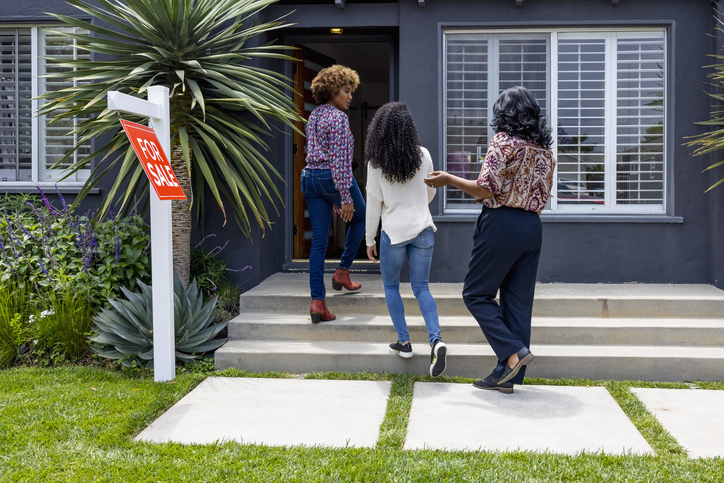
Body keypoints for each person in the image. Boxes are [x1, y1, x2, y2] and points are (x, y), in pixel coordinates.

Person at [424, 86, 556, 393]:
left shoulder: (503, 141)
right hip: (532, 227)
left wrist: (448, 180)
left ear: (504, 114)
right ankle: (507, 377)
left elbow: (486, 189)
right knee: (518, 305)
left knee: (476, 294)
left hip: (501, 223)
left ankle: (513, 353)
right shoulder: (544, 151)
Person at [365, 102, 447, 378]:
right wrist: (416, 206)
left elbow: (373, 205)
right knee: (422, 288)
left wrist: (369, 239)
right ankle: (436, 340)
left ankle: (404, 342)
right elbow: (431, 193)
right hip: (423, 229)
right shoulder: (423, 155)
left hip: (394, 233)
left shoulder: (376, 163)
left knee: (391, 287)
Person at [302, 65, 366, 324]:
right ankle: (342, 271)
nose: (350, 97)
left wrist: (334, 197)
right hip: (331, 177)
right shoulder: (339, 118)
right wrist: (344, 197)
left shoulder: (314, 115)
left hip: (310, 178)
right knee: (361, 217)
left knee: (318, 243)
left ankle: (318, 302)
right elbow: (340, 162)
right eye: (346, 91)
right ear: (332, 91)